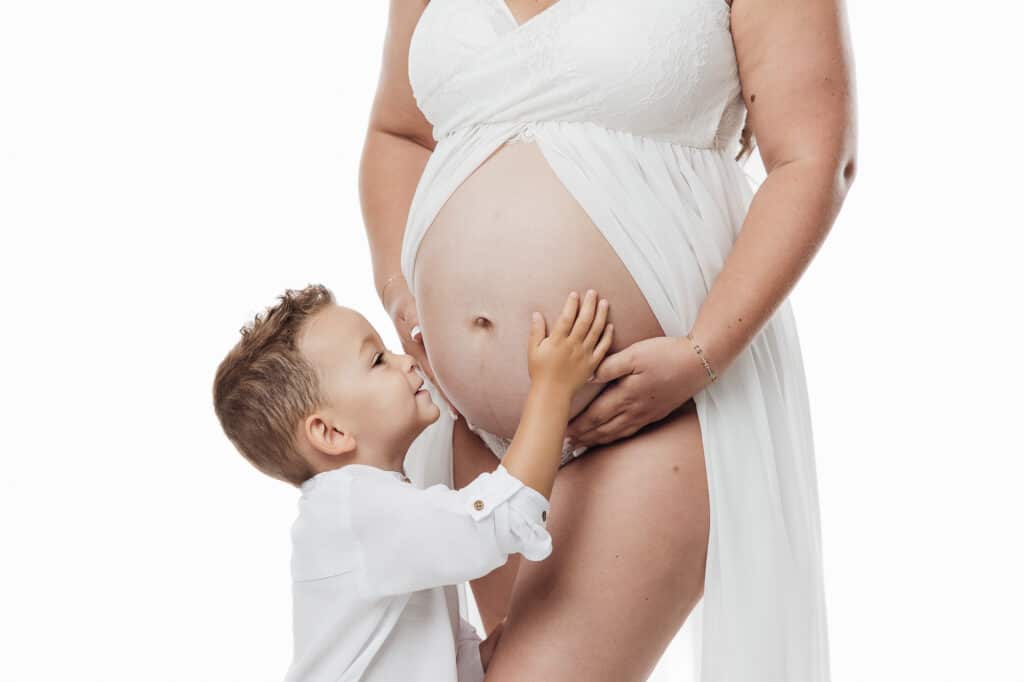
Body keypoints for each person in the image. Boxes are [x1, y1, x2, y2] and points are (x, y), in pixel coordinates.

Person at [359, 0, 857, 679]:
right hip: (471, 431)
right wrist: (403, 296)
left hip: (655, 404)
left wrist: (700, 354)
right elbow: (398, 132)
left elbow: (812, 155)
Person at [211, 283, 613, 681]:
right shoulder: (354, 510)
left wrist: (495, 653)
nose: (404, 360)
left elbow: (433, 657)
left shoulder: (377, 509)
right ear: (331, 433)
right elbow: (500, 519)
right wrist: (553, 387)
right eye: (378, 361)